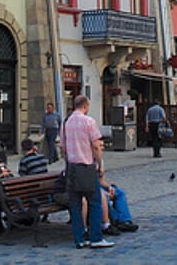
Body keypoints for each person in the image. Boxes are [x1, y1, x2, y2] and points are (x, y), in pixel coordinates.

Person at [60, 95, 114, 249]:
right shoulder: (88, 121)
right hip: (86, 166)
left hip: (72, 167)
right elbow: (96, 145)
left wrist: (67, 163)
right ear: (85, 106)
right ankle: (96, 237)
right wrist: (99, 164)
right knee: (95, 202)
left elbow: (63, 147)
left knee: (75, 205)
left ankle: (79, 239)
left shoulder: (66, 123)